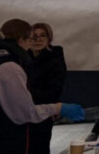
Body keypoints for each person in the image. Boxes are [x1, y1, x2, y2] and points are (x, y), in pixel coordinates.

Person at [0, 19, 84, 154]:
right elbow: (24, 113)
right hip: (4, 137)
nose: (33, 43)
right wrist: (56, 108)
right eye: (32, 38)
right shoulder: (9, 67)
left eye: (42, 36)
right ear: (21, 40)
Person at [25, 23, 67, 154]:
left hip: (43, 112)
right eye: (34, 36)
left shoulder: (55, 59)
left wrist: (27, 94)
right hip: (22, 112)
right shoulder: (22, 58)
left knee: (39, 146)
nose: (38, 40)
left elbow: (54, 90)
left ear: (49, 38)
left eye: (42, 36)